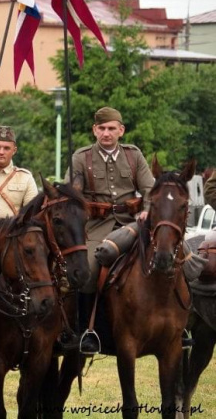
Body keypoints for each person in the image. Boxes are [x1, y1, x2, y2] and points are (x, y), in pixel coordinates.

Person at [67, 106, 153, 355]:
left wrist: (147, 209)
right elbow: (72, 193)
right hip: (96, 227)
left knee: (167, 258)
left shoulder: (133, 155)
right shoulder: (81, 158)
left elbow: (150, 189)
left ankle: (179, 326)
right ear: (95, 130)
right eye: (102, 128)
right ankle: (86, 331)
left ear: (121, 131)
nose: (106, 133)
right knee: (88, 269)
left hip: (132, 223)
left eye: (111, 128)